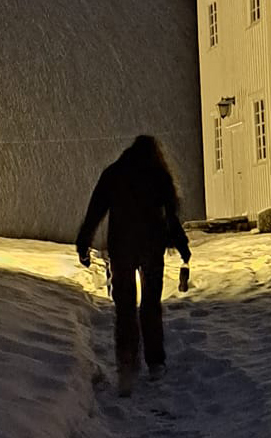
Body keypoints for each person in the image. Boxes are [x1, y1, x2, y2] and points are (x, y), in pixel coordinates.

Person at [76, 134, 191, 397]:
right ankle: (155, 362)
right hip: (151, 248)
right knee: (151, 305)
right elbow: (171, 217)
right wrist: (182, 247)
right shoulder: (159, 177)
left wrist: (84, 243)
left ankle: (126, 363)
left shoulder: (114, 174)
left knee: (125, 307)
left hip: (122, 249)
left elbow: (95, 211)